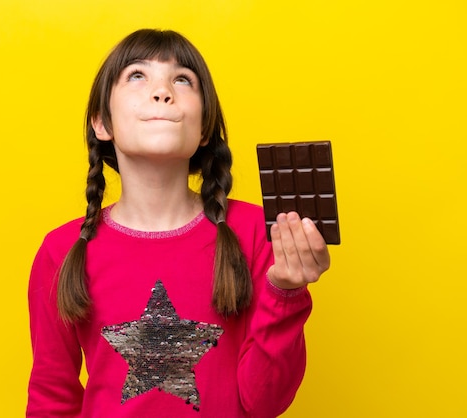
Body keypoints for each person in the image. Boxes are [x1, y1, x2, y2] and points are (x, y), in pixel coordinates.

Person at [26, 29, 330, 418]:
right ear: (101, 123)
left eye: (182, 79)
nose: (162, 91)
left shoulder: (258, 232)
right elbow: (51, 397)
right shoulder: (60, 250)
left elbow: (264, 402)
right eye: (137, 75)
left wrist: (286, 292)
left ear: (204, 128)